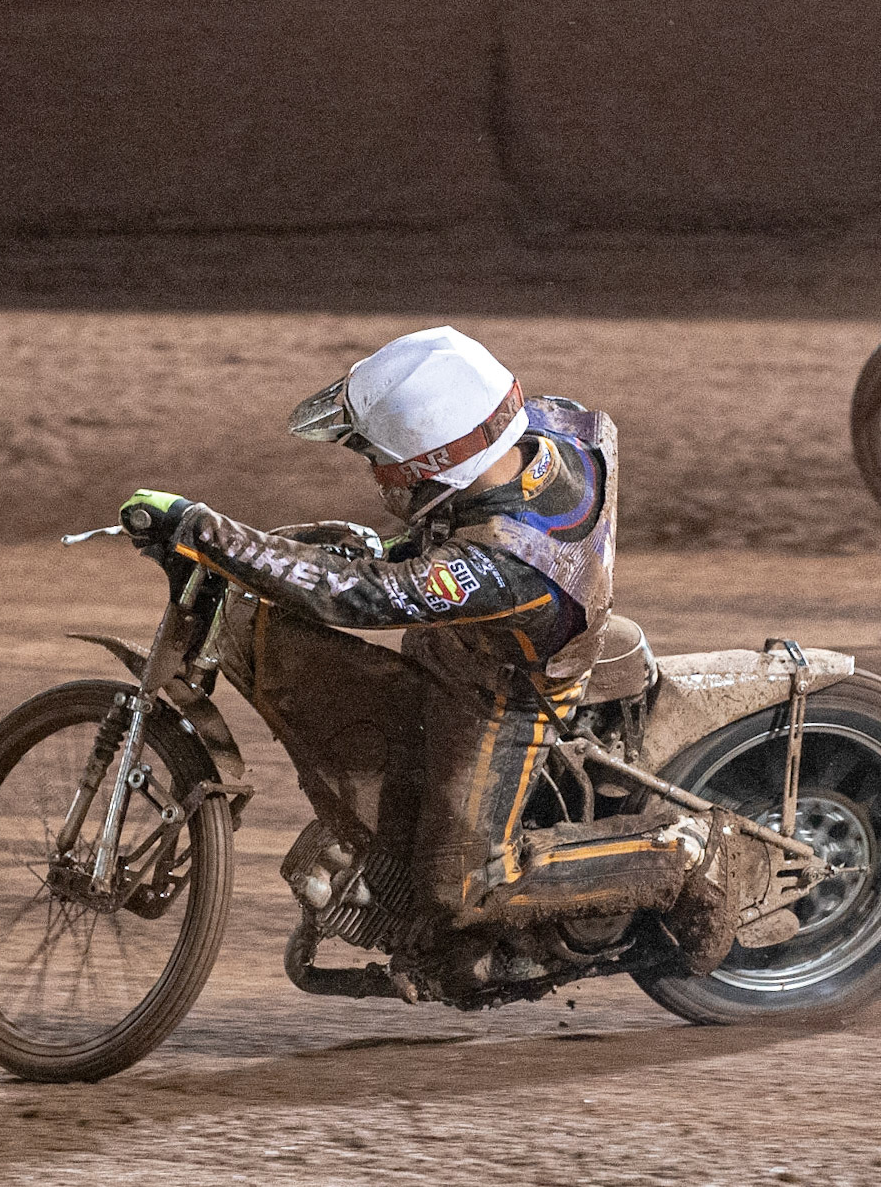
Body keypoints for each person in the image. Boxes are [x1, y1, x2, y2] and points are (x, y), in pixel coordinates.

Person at [117, 326, 763, 984]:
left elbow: (363, 598)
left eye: (379, 460)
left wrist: (207, 529)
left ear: (431, 469)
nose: (374, 472)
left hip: (504, 694)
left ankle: (680, 854)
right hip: (487, 629)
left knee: (463, 884)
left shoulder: (500, 562)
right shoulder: (543, 425)